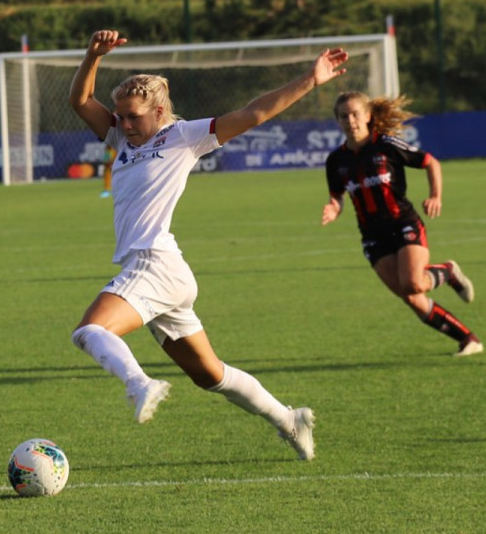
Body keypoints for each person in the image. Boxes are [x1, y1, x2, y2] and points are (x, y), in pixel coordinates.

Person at [68, 29, 349, 461]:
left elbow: (253, 113)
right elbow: (81, 102)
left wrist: (310, 80)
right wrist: (92, 56)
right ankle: (290, 420)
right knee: (210, 375)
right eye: (120, 116)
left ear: (159, 111)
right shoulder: (123, 139)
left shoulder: (184, 136)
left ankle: (139, 383)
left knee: (90, 331)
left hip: (154, 266)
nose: (123, 123)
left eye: (133, 117)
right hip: (167, 272)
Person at [321, 92, 482, 357]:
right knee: (409, 296)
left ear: (368, 116)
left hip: (403, 224)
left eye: (355, 114)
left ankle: (448, 272)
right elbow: (336, 196)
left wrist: (435, 195)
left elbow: (430, 162)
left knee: (414, 284)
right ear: (337, 121)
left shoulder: (385, 145)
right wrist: (332, 208)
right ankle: (467, 339)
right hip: (372, 236)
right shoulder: (336, 161)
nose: (350, 120)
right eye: (343, 116)